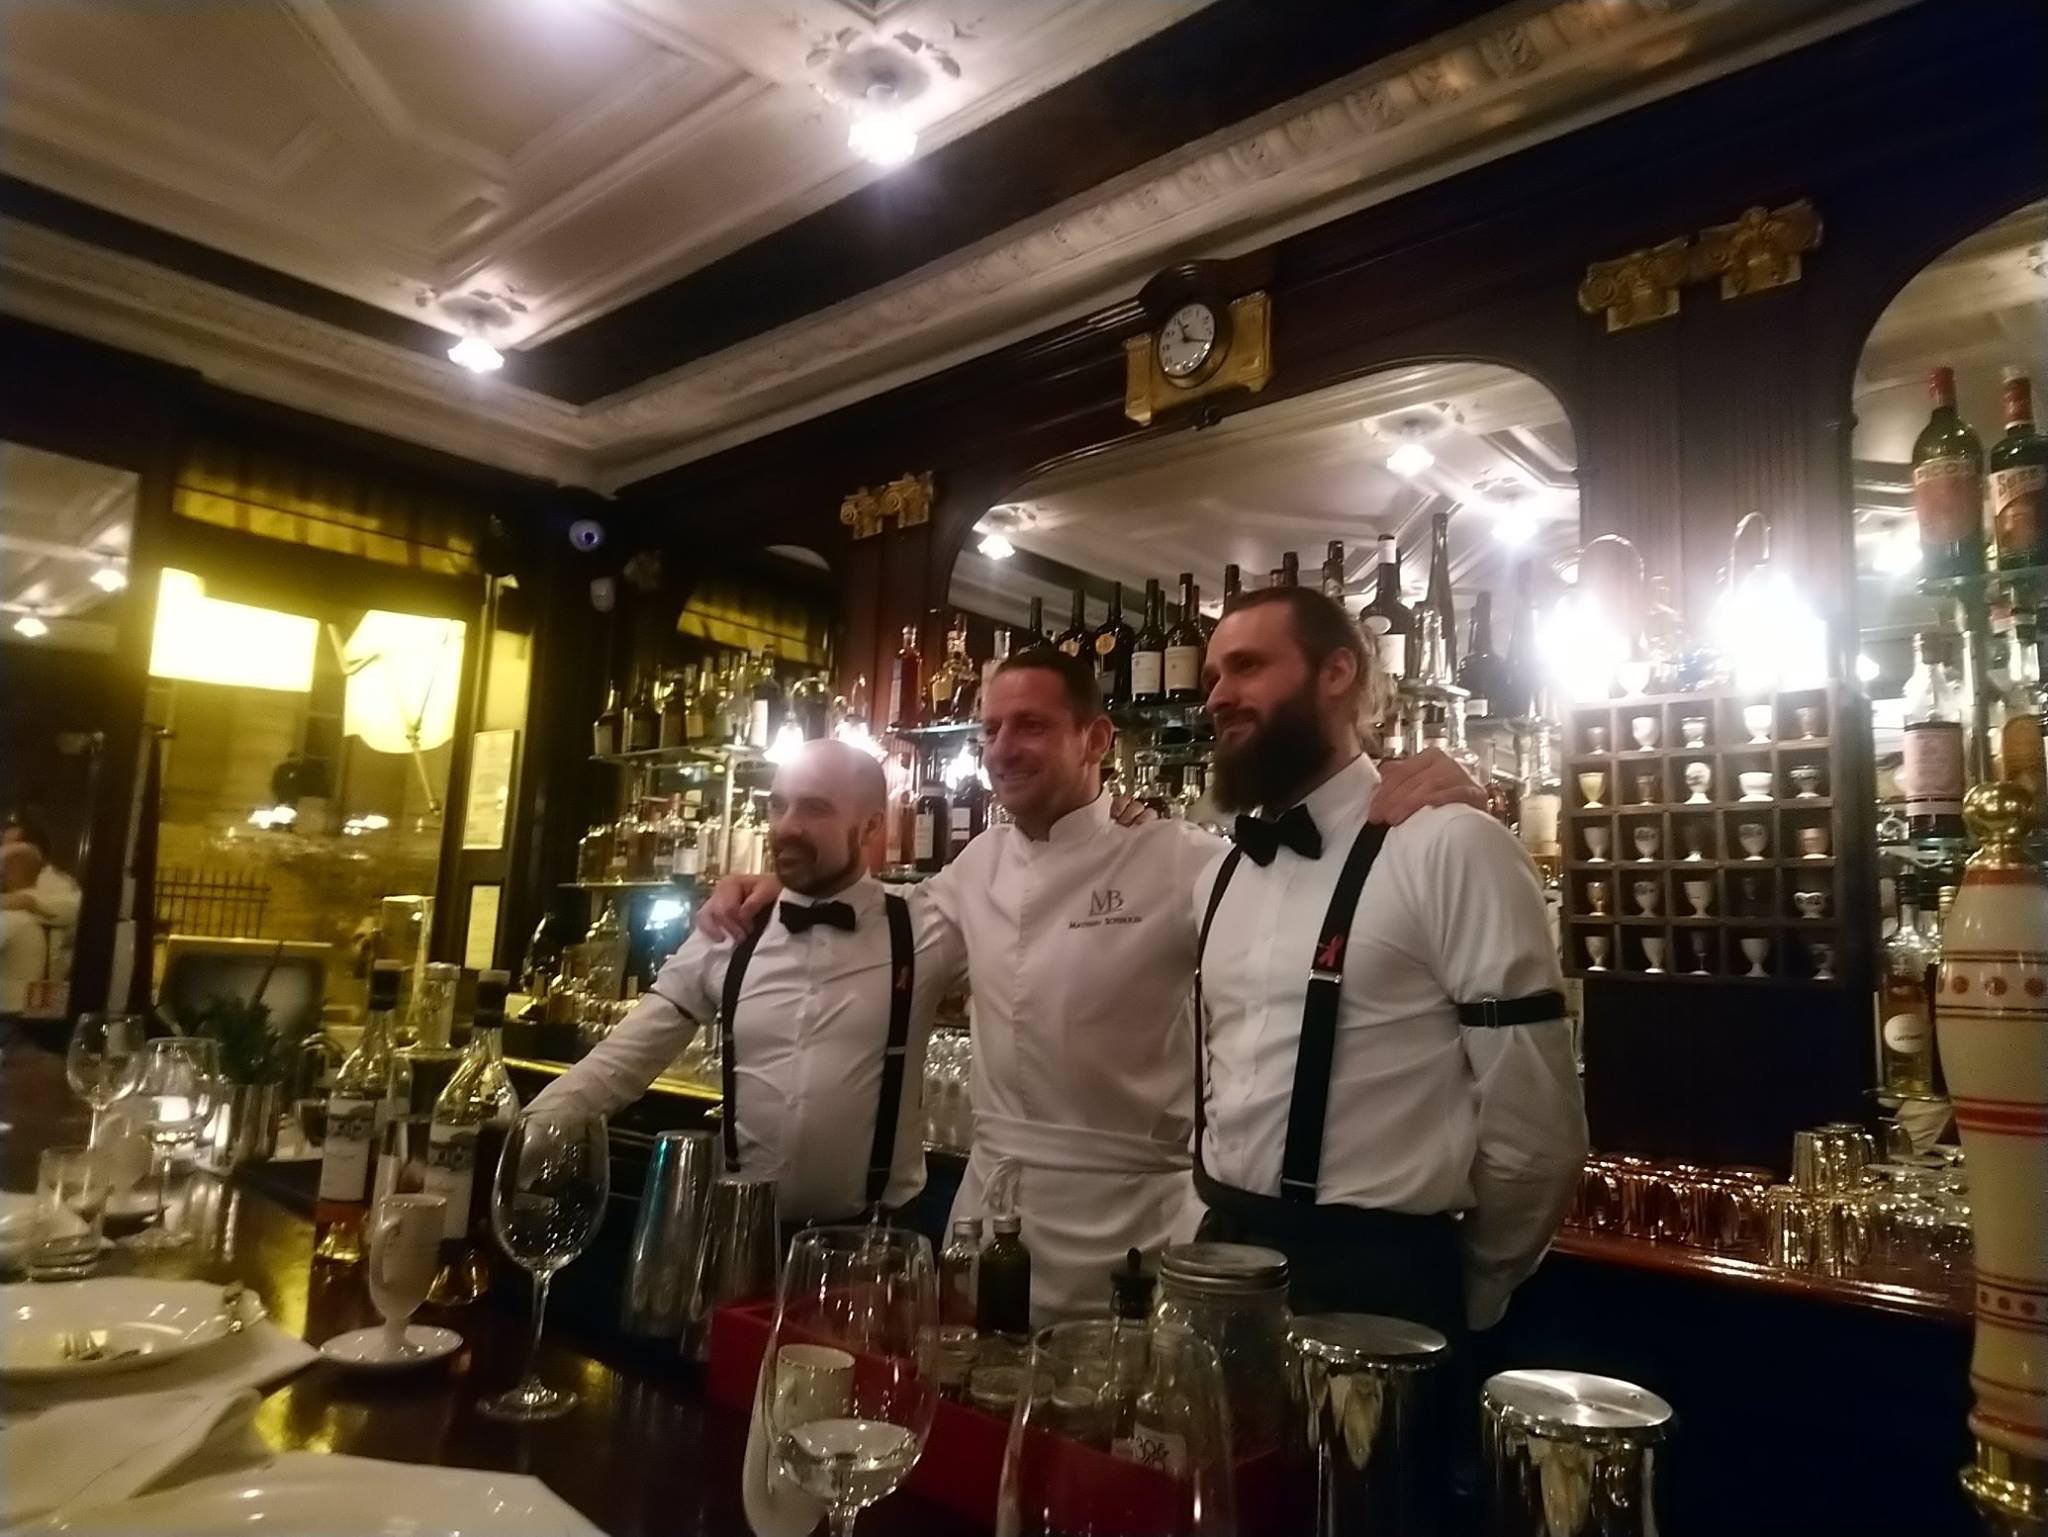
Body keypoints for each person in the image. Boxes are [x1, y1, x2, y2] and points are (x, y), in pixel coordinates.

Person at [701, 646, 1482, 1320]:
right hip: (987, 1217)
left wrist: (1442, 786)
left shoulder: (1182, 858)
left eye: (1031, 724)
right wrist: (778, 883)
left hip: (1133, 1223)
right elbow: (875, 924)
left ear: (1097, 738)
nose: (1003, 746)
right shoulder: (974, 867)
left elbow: (1318, 894)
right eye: (991, 728)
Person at [1190, 586, 1586, 1344]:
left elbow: (1538, 1129)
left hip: (1381, 1283)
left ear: (1336, 673)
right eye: (1212, 676)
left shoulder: (1451, 846)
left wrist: (1466, 1281)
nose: (1219, 696)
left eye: (1245, 667)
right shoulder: (1219, 873)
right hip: (1220, 1264)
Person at [530, 740, 960, 1227]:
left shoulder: (926, 924)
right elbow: (619, 1062)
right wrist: (519, 1137)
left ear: (871, 826)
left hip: (875, 1248)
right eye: (777, 806)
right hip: (743, 1239)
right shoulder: (730, 928)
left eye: (814, 809)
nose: (786, 827)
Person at [1, 814, 82, 929]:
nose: (5, 852)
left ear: (35, 850)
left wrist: (25, 902)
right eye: (3, 845)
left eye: (12, 846)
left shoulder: (51, 878)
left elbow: (77, 908)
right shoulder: (8, 877)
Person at [0, 842, 53, 1014]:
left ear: (12, 871)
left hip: (9, 1018)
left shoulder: (13, 917)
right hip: (34, 1012)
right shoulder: (46, 906)